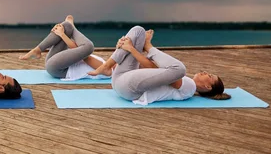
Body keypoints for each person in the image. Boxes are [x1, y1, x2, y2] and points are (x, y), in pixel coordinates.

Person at [88, 26, 231, 105]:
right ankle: (108, 65)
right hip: (121, 79)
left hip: (128, 89)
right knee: (138, 31)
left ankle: (148, 47)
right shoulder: (185, 82)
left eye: (209, 76)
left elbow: (154, 69)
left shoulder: (189, 88)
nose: (205, 72)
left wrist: (132, 49)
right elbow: (151, 69)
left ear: (207, 87)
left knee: (180, 69)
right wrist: (125, 49)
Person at [19, 15, 109, 80]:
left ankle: (72, 27)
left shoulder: (108, 70)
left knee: (89, 47)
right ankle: (38, 49)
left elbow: (86, 57)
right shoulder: (105, 63)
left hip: (57, 69)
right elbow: (78, 51)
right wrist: (62, 33)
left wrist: (62, 34)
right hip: (55, 61)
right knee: (67, 27)